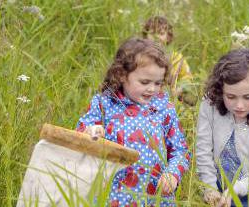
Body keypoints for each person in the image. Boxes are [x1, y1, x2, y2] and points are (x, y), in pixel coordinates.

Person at [75, 38, 190, 206]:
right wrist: (91, 132)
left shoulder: (164, 108)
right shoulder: (104, 104)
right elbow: (81, 133)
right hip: (111, 195)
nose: (152, 89)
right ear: (122, 75)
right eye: (144, 82)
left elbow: (180, 150)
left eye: (158, 83)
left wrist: (172, 174)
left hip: (154, 197)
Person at [195, 49, 249, 207]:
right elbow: (203, 150)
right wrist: (209, 187)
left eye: (248, 97)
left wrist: (234, 189)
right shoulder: (210, 105)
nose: (239, 105)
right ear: (220, 90)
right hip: (218, 187)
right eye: (230, 97)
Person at [142, 16, 196, 106]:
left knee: (191, 99)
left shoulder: (177, 58)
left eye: (161, 33)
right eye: (152, 33)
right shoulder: (141, 57)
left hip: (172, 99)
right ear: (146, 35)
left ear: (168, 37)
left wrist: (179, 89)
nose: (156, 37)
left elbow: (188, 78)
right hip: (147, 99)